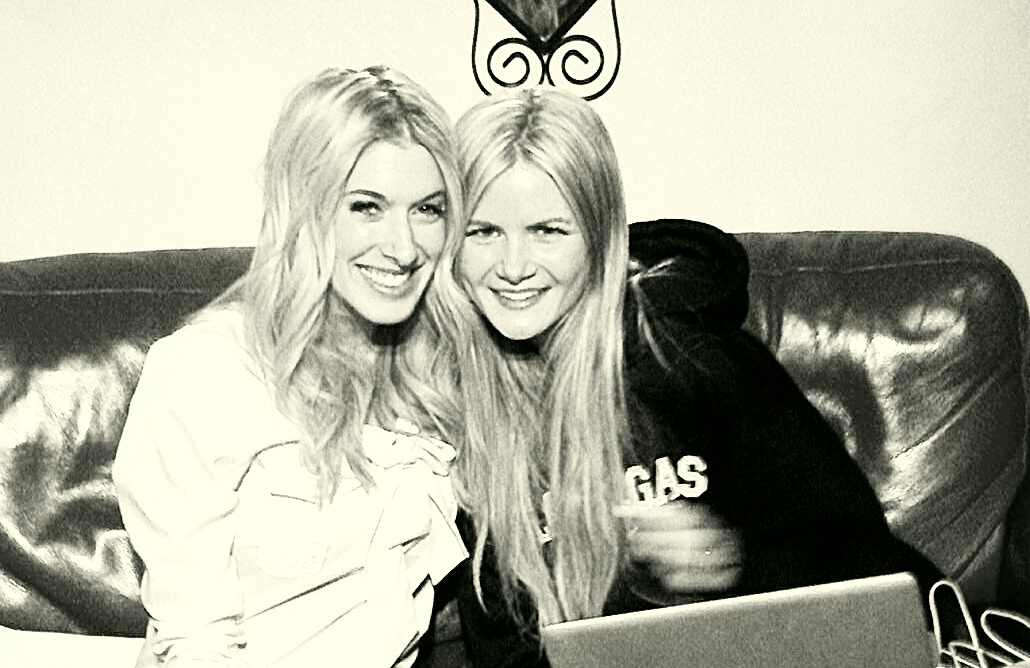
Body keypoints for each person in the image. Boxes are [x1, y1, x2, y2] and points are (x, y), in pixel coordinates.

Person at [433, 86, 943, 667]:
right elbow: (504, 651)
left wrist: (728, 561)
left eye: (548, 230)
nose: (514, 267)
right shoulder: (457, 409)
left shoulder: (690, 355)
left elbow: (861, 560)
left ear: (600, 239)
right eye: (483, 232)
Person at [113, 66, 468, 668]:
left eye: (427, 210)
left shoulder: (441, 367)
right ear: (305, 207)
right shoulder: (204, 373)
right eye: (367, 207)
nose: (404, 247)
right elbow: (195, 641)